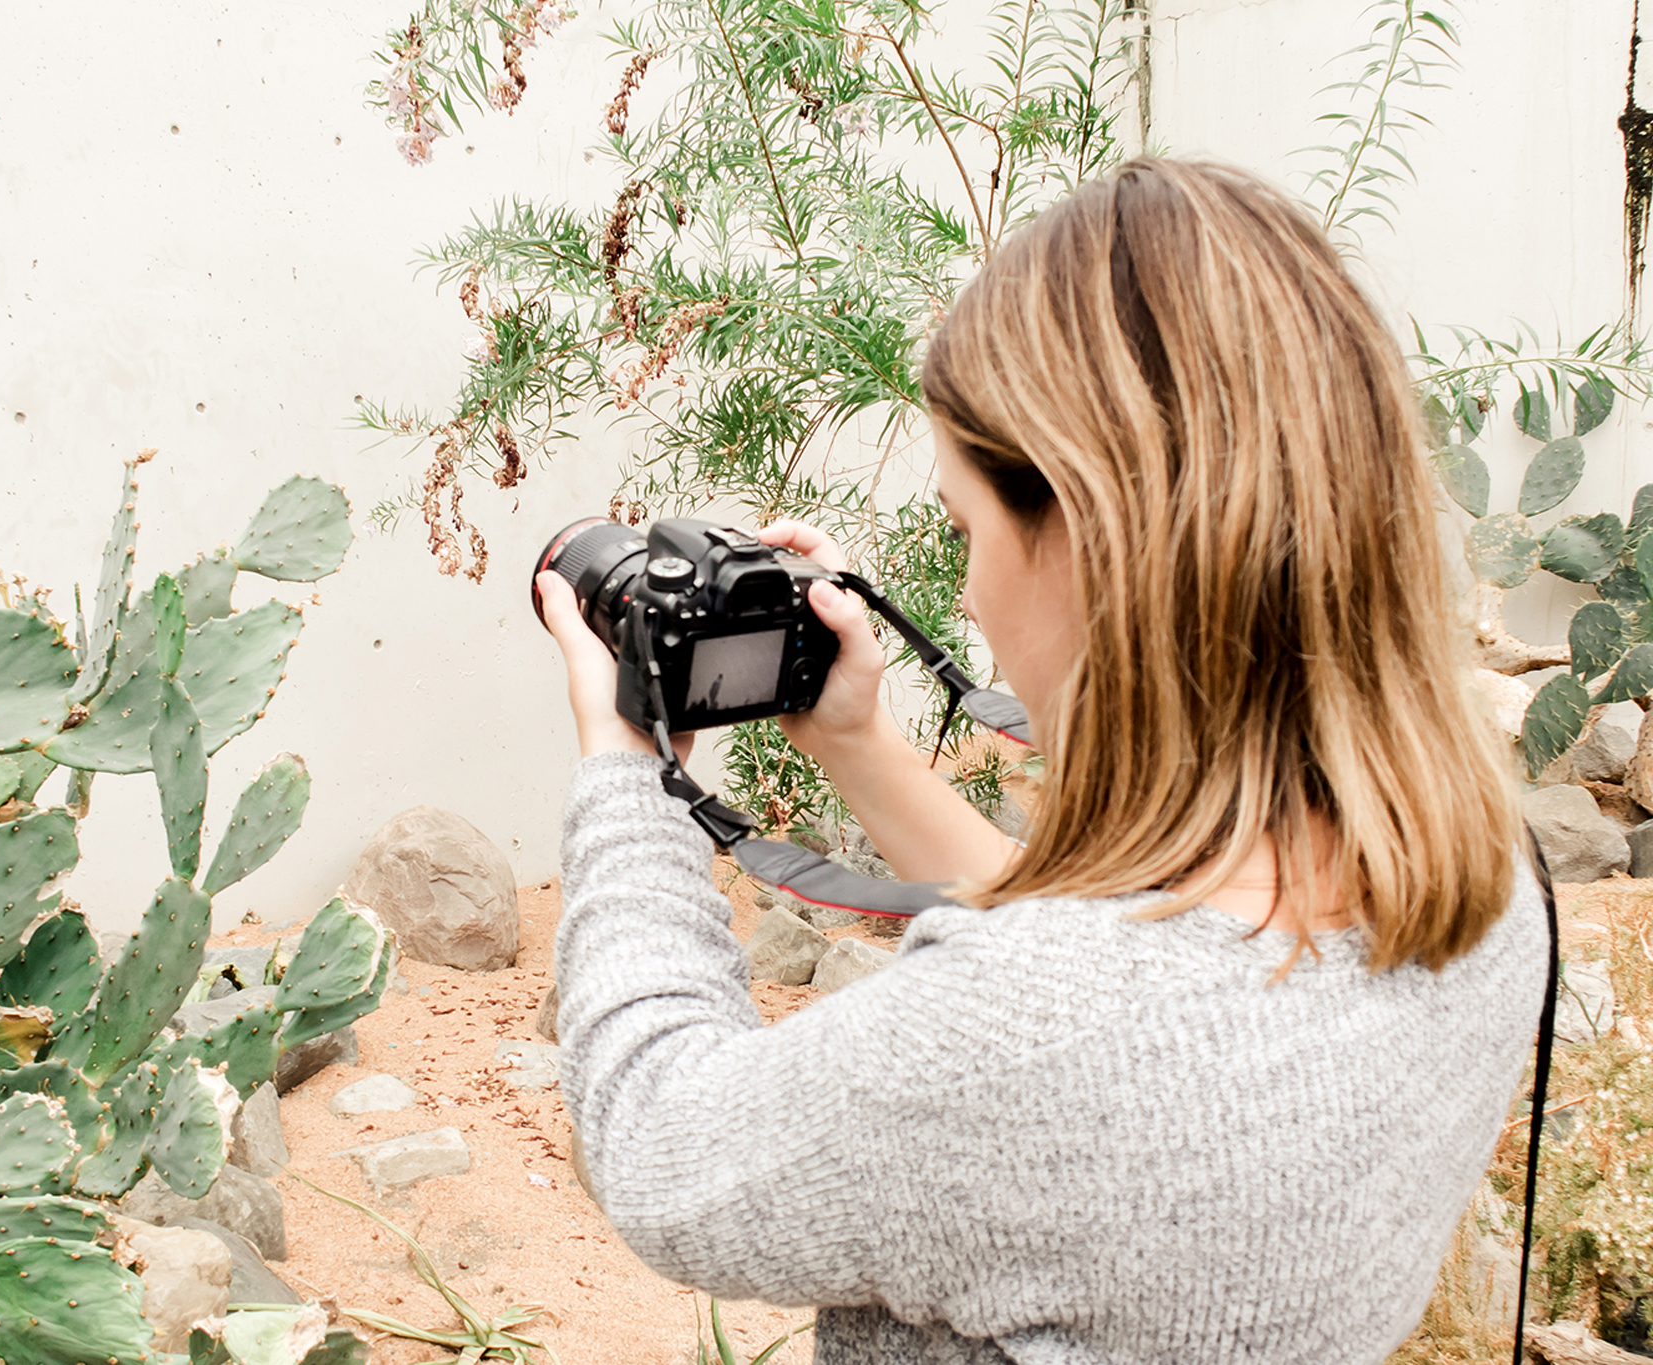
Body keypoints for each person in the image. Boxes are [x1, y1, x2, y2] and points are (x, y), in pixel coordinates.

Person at [532, 158, 1549, 1365]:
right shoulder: (1486, 884)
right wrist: (858, 745)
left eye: (969, 528)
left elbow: (663, 1155)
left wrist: (626, 778)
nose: (963, 589)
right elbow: (1114, 955)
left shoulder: (1025, 1044)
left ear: (1086, 535)